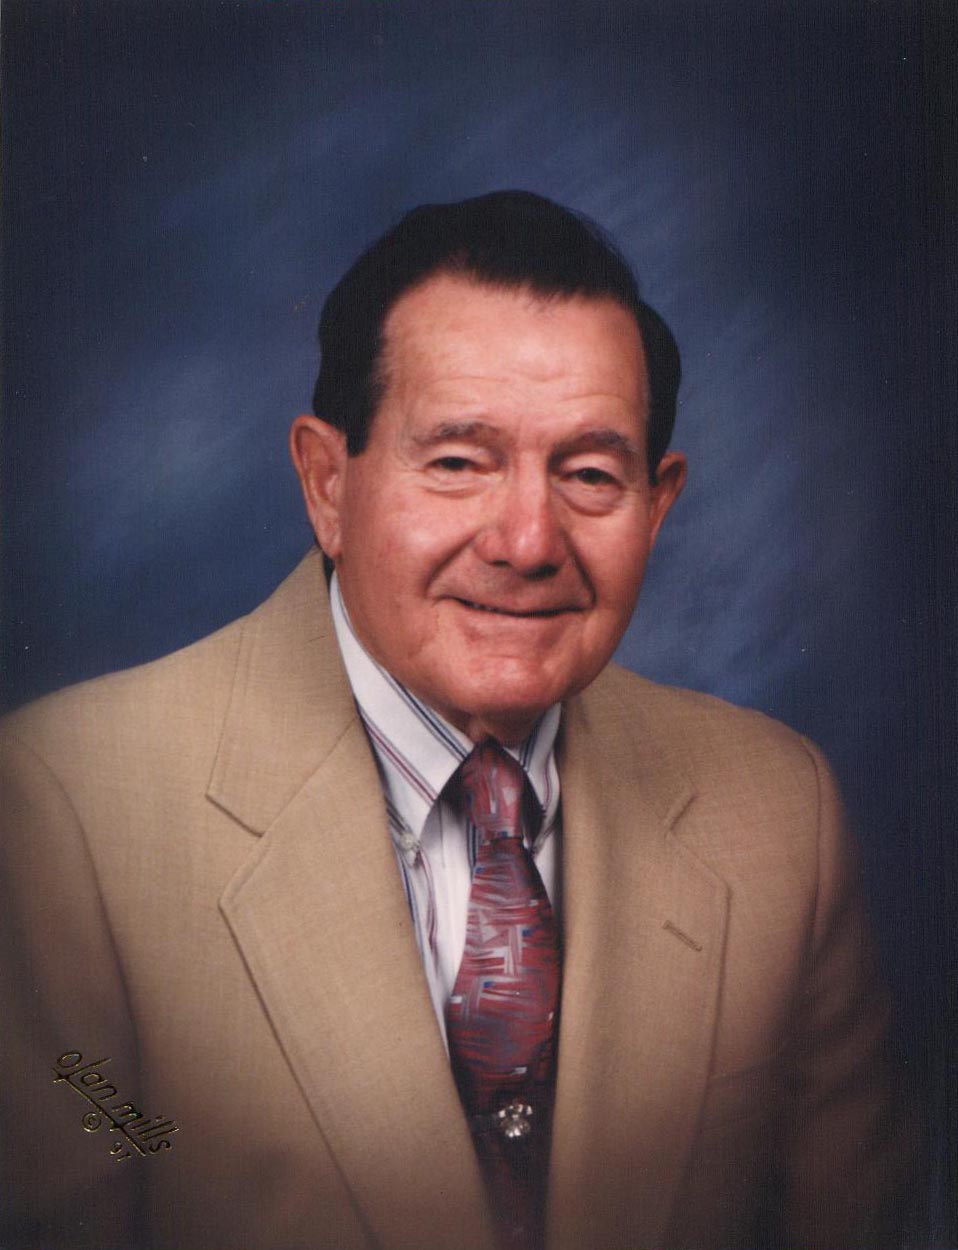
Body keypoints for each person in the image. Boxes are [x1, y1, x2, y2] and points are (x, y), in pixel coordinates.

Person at [0, 191, 909, 1250]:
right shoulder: (69, 808)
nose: (528, 540)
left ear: (657, 505)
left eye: (589, 473)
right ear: (327, 483)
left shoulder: (780, 813)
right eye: (458, 462)